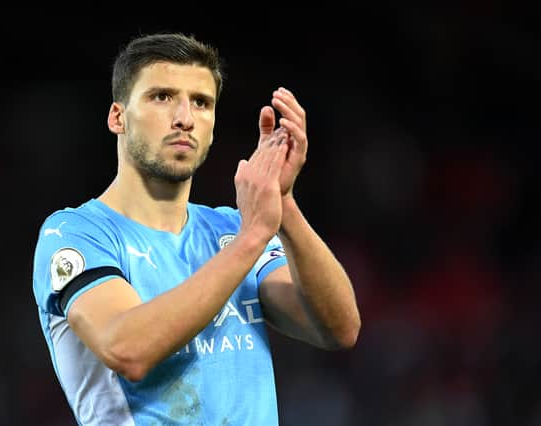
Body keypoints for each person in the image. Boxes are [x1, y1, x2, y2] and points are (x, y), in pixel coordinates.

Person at [32, 32, 361, 425]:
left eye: (201, 103)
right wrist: (253, 237)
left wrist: (283, 204)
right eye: (161, 97)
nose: (185, 118)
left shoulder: (229, 229)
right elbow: (128, 348)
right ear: (118, 116)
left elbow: (338, 328)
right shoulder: (77, 233)